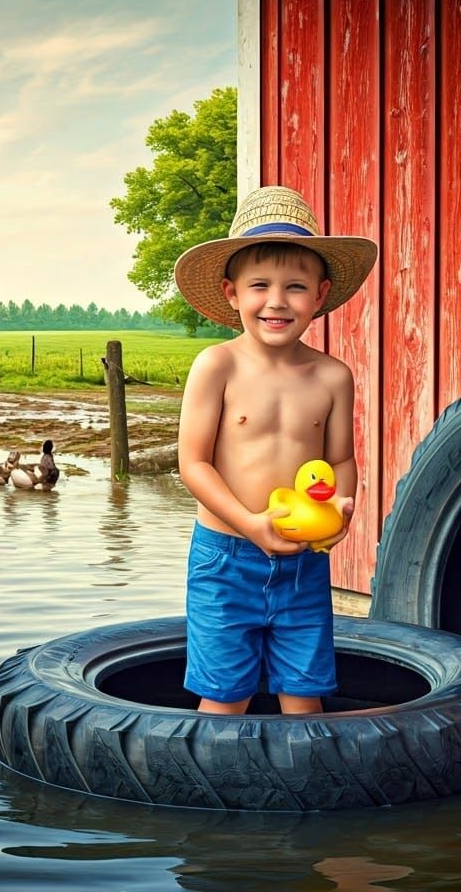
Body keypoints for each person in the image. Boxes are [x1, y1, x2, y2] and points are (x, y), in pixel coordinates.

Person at [171, 185, 378, 716]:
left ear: (320, 294)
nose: (277, 301)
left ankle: (302, 791)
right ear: (232, 293)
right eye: (259, 285)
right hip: (225, 559)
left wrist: (340, 512)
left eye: (295, 287)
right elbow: (192, 462)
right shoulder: (218, 366)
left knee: (304, 693)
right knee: (224, 694)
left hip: (302, 562)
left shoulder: (332, 376)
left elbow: (340, 461)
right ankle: (214, 790)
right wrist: (249, 523)